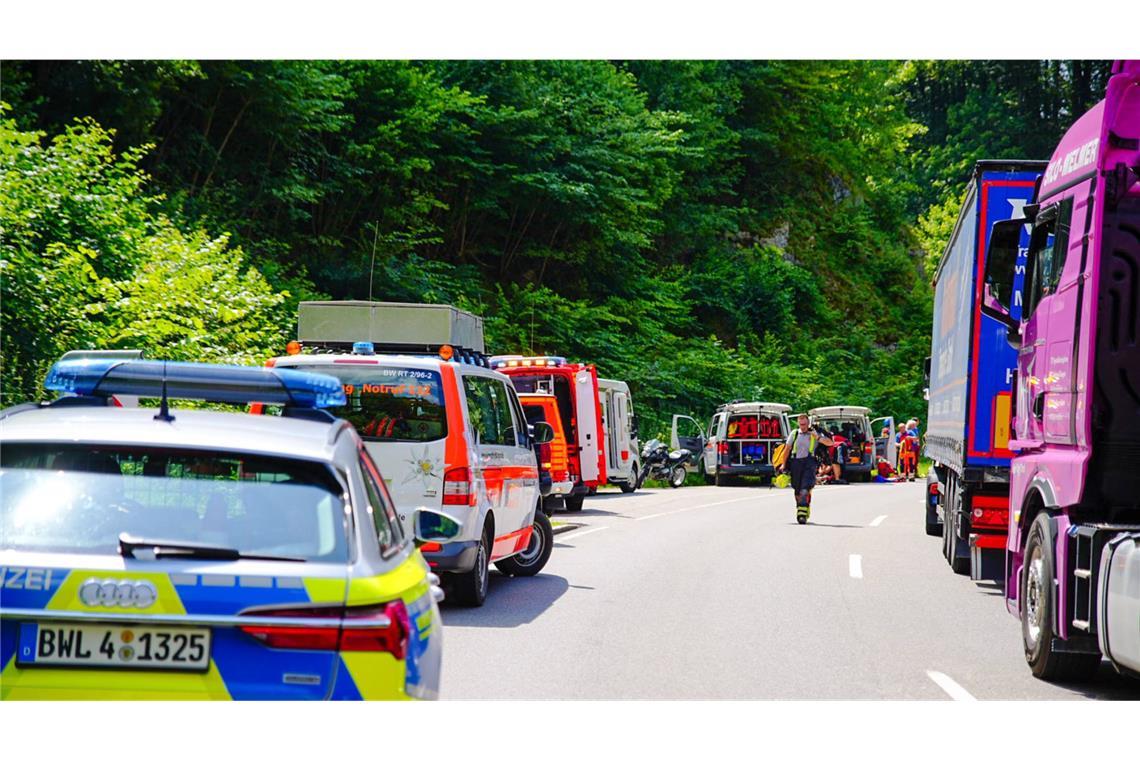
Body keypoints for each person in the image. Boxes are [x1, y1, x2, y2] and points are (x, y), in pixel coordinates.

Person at [777, 414, 834, 524]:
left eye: (804, 423)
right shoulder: (794, 434)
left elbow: (830, 443)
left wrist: (817, 437)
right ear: (798, 423)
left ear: (808, 423)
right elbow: (787, 450)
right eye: (800, 423)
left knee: (805, 489)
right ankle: (802, 508)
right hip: (795, 464)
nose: (802, 426)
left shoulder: (815, 433)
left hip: (810, 463)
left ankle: (801, 516)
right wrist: (783, 464)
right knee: (797, 490)